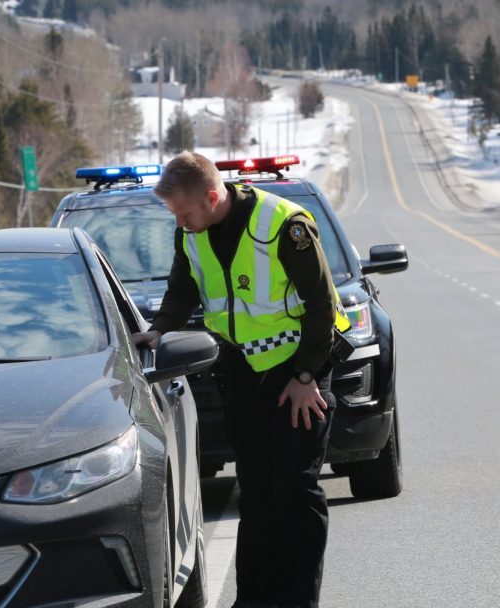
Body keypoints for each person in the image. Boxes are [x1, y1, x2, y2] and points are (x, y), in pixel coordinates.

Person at [132, 151, 349, 608]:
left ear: (212, 197)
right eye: (174, 214)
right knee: (257, 490)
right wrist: (161, 327)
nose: (180, 221)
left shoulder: (284, 224)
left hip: (298, 375)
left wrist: (307, 375)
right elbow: (184, 283)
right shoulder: (191, 230)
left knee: (295, 491)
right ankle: (253, 600)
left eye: (185, 212)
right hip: (243, 374)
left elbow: (321, 306)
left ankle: (296, 601)